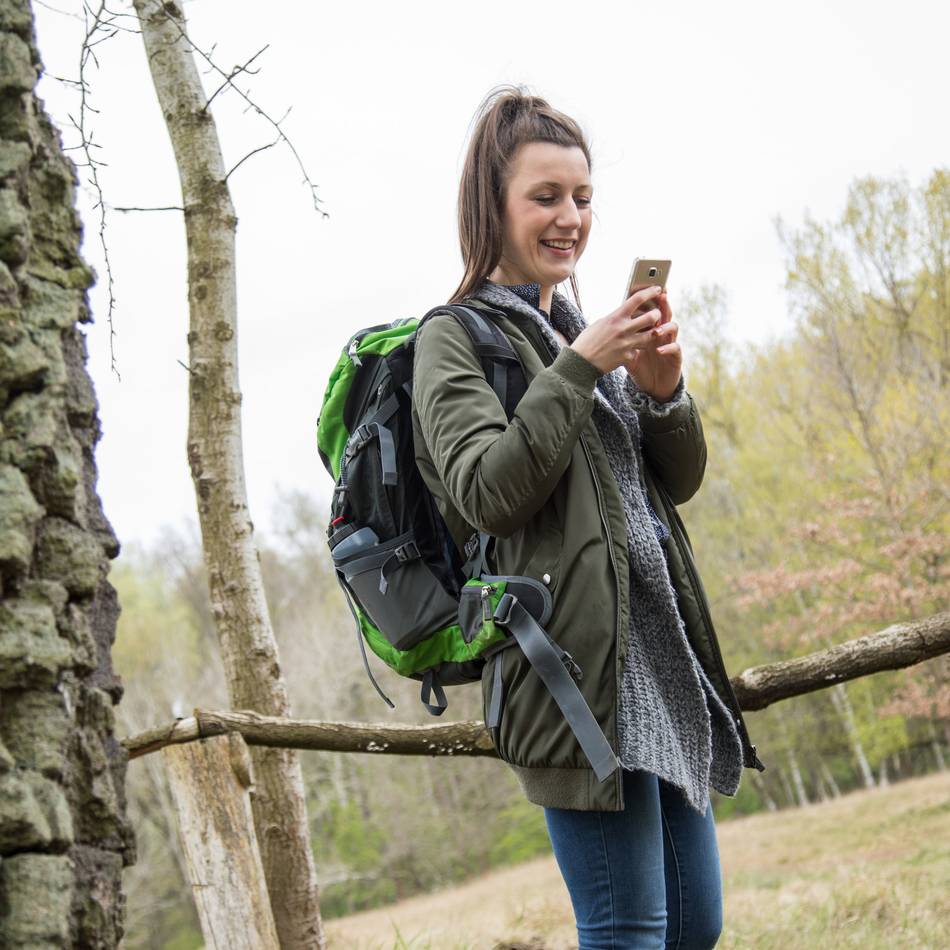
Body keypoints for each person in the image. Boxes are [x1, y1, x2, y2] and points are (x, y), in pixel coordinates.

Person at [410, 85, 763, 949]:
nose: (571, 217)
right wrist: (577, 368)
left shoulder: (576, 325)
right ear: (490, 206)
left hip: (658, 662)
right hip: (566, 680)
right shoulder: (451, 340)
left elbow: (675, 484)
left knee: (696, 927)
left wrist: (663, 394)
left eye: (583, 197)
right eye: (545, 197)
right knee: (628, 933)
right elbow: (489, 491)